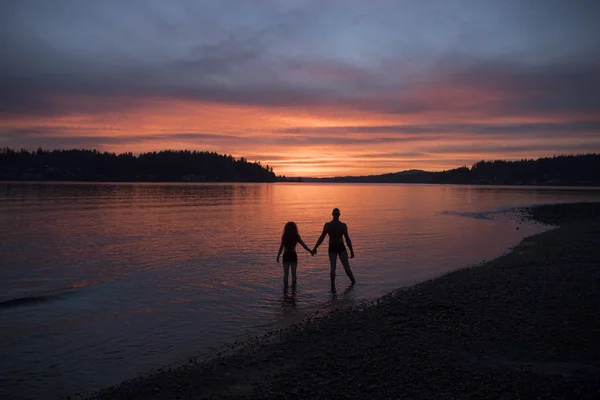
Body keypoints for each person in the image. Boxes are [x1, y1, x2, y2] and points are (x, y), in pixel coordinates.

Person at [313, 208, 356, 285]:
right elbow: (347, 239)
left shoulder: (329, 225)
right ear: (339, 215)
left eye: (336, 214)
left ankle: (333, 286)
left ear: (333, 214)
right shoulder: (341, 226)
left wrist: (315, 248)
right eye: (336, 214)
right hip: (338, 247)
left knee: (335, 268)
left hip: (335, 247)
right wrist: (351, 251)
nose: (336, 215)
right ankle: (352, 283)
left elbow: (322, 238)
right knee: (344, 267)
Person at [277, 222, 313, 287]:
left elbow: (281, 247)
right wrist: (310, 251)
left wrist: (278, 256)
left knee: (285, 274)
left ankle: (285, 291)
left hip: (286, 255)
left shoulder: (284, 236)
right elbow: (303, 245)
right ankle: (294, 290)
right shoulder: (296, 236)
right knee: (294, 274)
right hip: (293, 255)